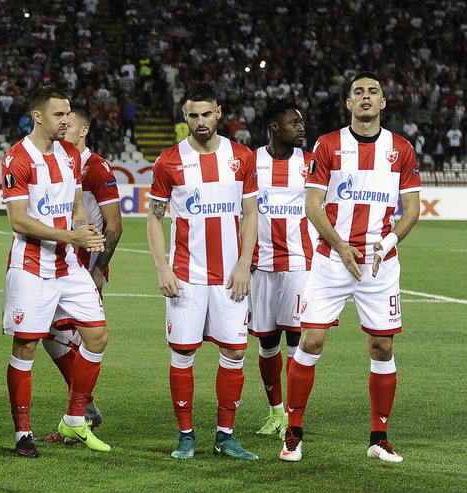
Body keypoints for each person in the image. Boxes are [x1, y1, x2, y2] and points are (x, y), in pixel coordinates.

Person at [283, 71, 421, 463]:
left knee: (382, 345)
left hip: (380, 264)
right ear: (348, 103)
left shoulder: (401, 149)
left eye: (372, 92)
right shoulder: (328, 145)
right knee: (311, 341)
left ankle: (379, 438)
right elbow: (313, 205)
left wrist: (388, 243)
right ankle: (293, 432)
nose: (365, 96)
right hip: (331, 260)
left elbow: (411, 209)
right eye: (358, 92)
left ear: (382, 102)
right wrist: (341, 246)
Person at [146, 83, 260, 461]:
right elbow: (155, 218)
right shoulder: (168, 161)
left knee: (235, 351)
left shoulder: (241, 157)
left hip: (231, 276)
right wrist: (162, 267)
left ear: (218, 113)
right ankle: (186, 437)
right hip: (186, 275)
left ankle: (225, 436)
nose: (200, 122)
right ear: (185, 117)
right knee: (183, 353)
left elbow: (250, 214)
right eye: (193, 115)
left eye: (206, 114)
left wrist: (244, 264)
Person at [1, 86, 111, 458]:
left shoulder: (70, 155)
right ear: (38, 116)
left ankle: (75, 419)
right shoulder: (17, 158)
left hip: (68, 265)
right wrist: (70, 236)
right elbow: (18, 221)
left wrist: (86, 232)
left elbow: (76, 207)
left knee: (97, 337)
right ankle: (23, 433)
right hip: (31, 267)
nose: (66, 121)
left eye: (68, 114)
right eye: (59, 115)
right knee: (26, 346)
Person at [39, 104, 123, 444]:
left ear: (84, 130)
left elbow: (114, 226)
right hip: (58, 265)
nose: (62, 127)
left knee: (77, 338)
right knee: (49, 334)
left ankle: (80, 414)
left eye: (69, 123)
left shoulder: (96, 168)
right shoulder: (58, 161)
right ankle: (83, 408)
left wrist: (98, 271)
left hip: (84, 270)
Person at [248, 99, 315, 440]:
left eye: (301, 121)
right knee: (267, 342)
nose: (301, 127)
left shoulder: (310, 163)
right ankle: (275, 411)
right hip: (260, 265)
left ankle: (293, 415)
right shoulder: (251, 162)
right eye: (294, 122)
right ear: (275, 127)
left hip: (300, 264)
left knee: (297, 341)